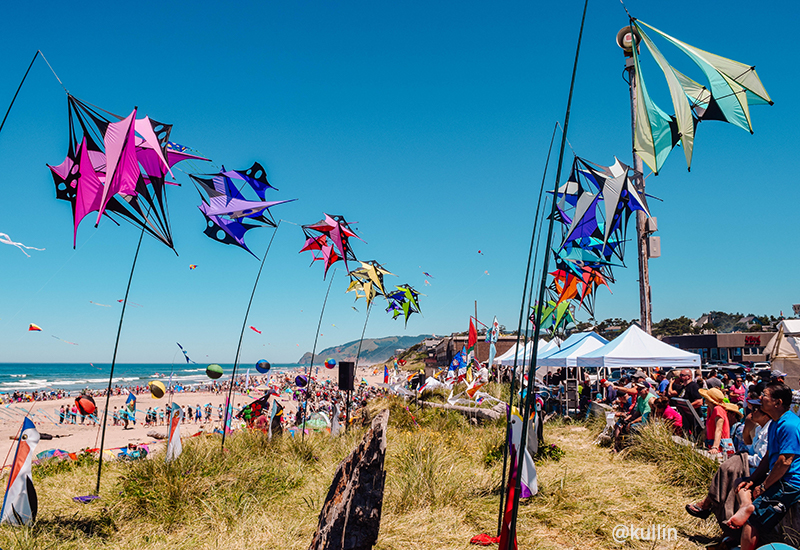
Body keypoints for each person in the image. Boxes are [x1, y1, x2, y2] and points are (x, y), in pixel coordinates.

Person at [723, 382, 800, 550]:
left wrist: (764, 487)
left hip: (790, 483)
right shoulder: (775, 422)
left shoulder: (789, 425)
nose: (760, 398)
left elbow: (784, 462)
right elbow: (768, 456)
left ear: (778, 403)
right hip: (780, 478)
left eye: (764, 395)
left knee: (754, 519)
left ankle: (748, 512)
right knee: (743, 487)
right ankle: (746, 511)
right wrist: (753, 479)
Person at [686, 402, 772, 533]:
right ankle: (710, 505)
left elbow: (759, 459)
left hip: (757, 470)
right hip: (750, 464)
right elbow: (751, 448)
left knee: (728, 469)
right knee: (729, 468)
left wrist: (740, 457)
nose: (751, 412)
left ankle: (709, 503)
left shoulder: (767, 431)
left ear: (765, 415)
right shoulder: (760, 428)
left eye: (756, 409)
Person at [700, 387, 740, 455]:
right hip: (710, 443)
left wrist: (715, 447)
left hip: (721, 446)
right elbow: (706, 428)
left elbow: (719, 429)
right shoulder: (710, 409)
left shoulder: (718, 409)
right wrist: (700, 441)